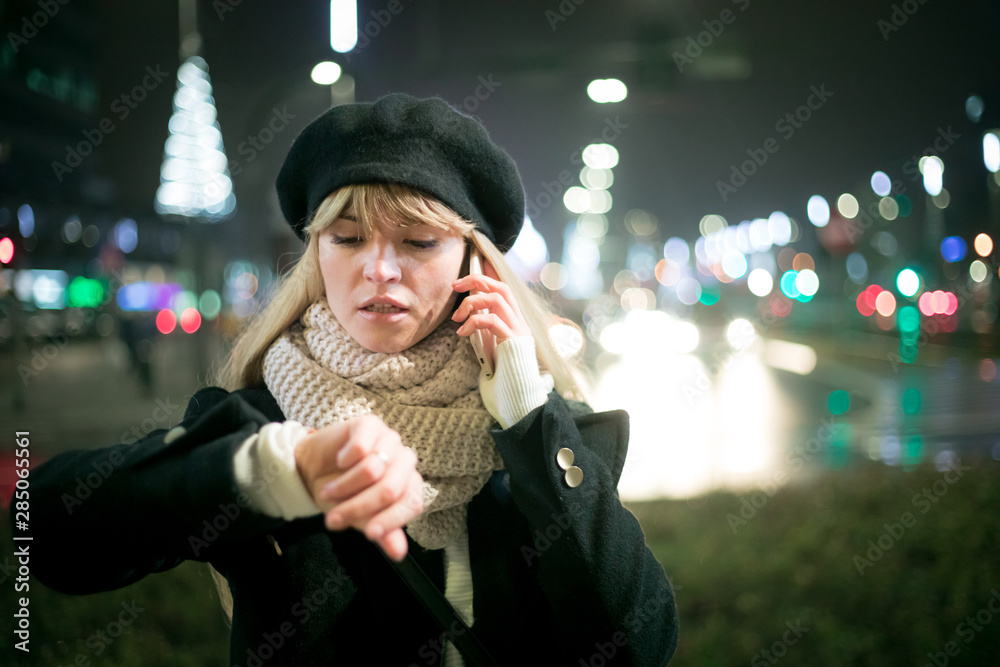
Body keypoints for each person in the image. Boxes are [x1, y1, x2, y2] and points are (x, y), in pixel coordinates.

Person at [23, 93, 678, 665]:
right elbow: (46, 530)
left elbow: (638, 644)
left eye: (418, 240)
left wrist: (531, 419)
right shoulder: (264, 426)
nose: (380, 268)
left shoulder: (541, 431)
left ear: (472, 261)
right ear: (318, 253)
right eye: (348, 236)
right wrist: (278, 474)